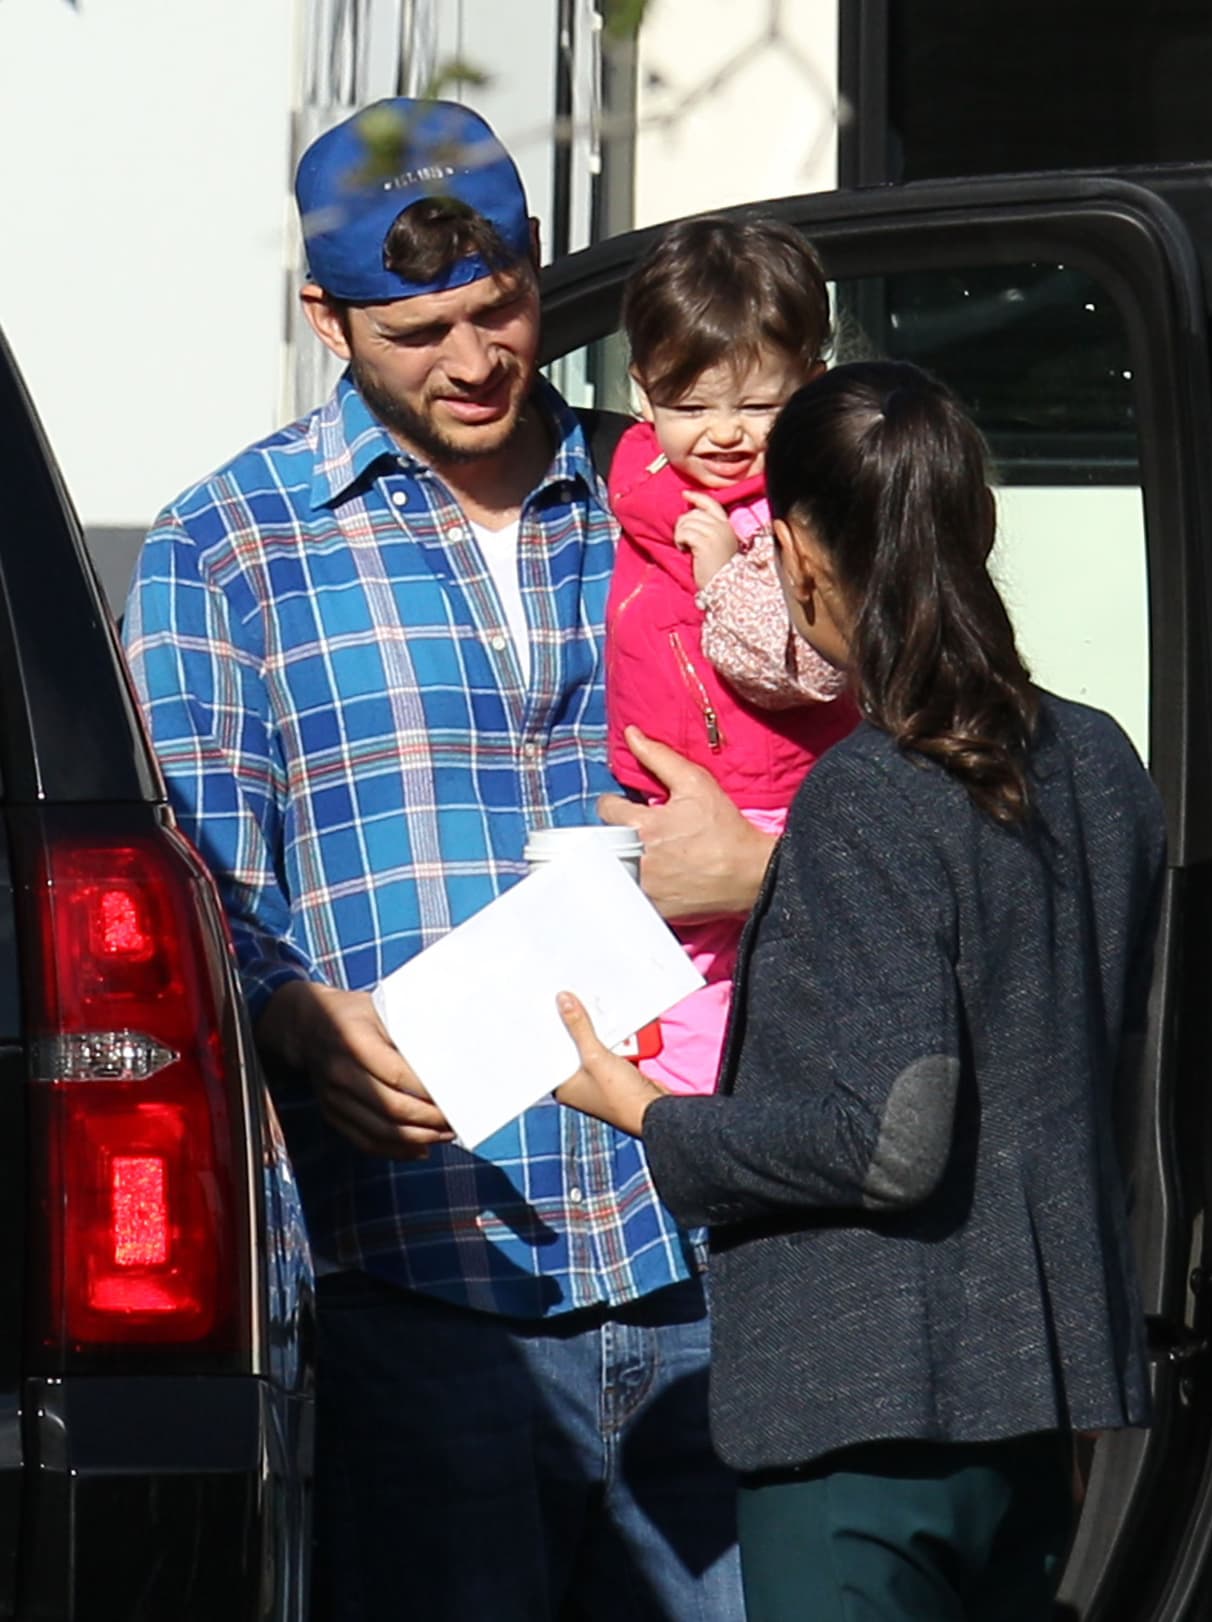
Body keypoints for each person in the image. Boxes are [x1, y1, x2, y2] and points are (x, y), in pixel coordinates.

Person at [123, 97, 761, 1621]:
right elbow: (197, 880)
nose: (477, 362)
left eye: (504, 309)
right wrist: (283, 1011)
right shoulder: (227, 544)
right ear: (323, 315)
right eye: (420, 330)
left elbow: (869, 772)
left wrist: (761, 868)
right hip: (425, 1277)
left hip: (715, 1245)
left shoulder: (679, 499)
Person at [556, 359, 1165, 1621]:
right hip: (1040, 1405)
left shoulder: (869, 793)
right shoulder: (1098, 760)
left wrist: (641, 1110)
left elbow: (886, 1136)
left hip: (863, 1412)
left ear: (790, 551)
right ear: (977, 528)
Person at [606, 217, 858, 1094]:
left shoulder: (809, 509)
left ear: (814, 388)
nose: (723, 434)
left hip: (790, 803)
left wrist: (728, 579)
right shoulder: (636, 483)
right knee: (671, 1014)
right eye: (690, 406)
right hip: (662, 800)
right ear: (642, 394)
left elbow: (805, 671)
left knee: (782, 1007)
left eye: (758, 407)